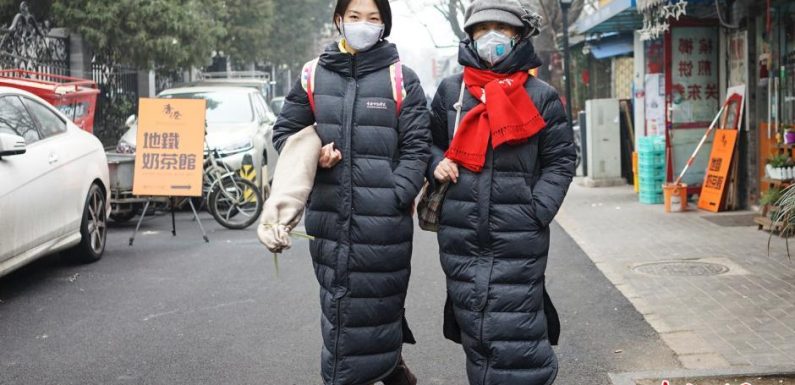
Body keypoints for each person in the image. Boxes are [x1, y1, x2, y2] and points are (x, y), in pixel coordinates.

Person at [271, 0, 431, 384]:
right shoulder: (313, 75)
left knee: (376, 307)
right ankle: (388, 372)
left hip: (384, 226)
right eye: (355, 16)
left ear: (384, 25)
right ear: (339, 20)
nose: (363, 25)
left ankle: (376, 371)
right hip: (328, 220)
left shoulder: (401, 79)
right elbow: (285, 135)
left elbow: (418, 148)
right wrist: (315, 157)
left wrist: (396, 194)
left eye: (373, 18)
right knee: (339, 308)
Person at [426, 0, 576, 384]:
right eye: (482, 28)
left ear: (519, 35)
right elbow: (425, 143)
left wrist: (536, 210)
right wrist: (435, 162)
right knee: (475, 328)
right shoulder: (452, 94)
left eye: (502, 27)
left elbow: (561, 160)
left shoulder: (540, 96)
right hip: (461, 235)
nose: (491, 35)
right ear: (470, 36)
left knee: (518, 325)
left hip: (518, 235)